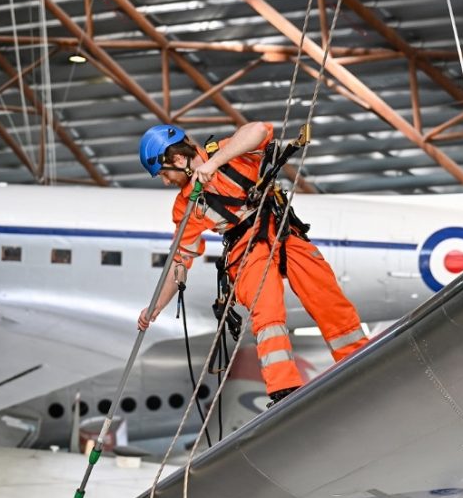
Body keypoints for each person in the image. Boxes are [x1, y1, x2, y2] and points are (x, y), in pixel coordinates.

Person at [137, 121, 369, 406]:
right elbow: (180, 260)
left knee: (326, 296)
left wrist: (214, 164)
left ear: (177, 159)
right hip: (246, 250)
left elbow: (259, 130)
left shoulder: (227, 152)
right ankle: (284, 388)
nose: (165, 181)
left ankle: (359, 359)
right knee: (267, 311)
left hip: (282, 231)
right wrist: (156, 307)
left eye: (163, 173)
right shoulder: (185, 206)